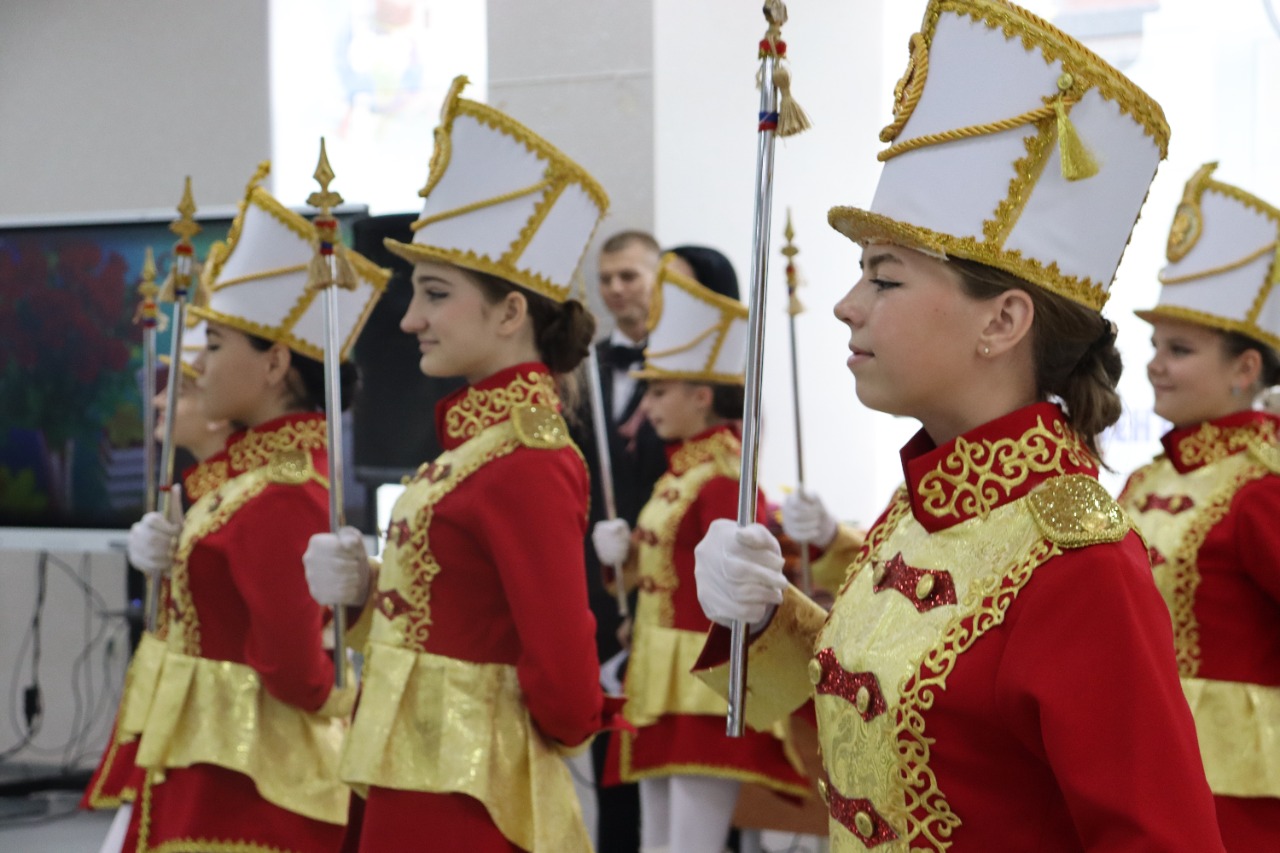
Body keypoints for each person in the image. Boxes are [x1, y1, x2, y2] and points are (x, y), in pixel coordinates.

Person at [690, 1, 1227, 849]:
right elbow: (913, 719)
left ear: (1002, 321)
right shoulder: (923, 502)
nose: (846, 305)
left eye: (885, 278)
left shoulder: (1077, 563)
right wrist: (767, 617)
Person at [301, 75, 623, 853]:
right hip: (420, 785)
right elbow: (459, 615)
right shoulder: (477, 449)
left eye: (435, 294)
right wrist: (370, 590)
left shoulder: (526, 459)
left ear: (511, 312)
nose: (410, 319)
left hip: (467, 804)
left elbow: (569, 692)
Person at [119, 163, 389, 853]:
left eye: (214, 346)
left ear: (275, 365)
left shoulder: (285, 490)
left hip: (251, 791)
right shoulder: (249, 480)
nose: (198, 367)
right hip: (215, 773)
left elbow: (299, 675)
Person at [592, 256, 809, 853]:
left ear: (700, 394)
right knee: (657, 841)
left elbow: (736, 587)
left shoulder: (722, 478)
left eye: (659, 392)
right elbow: (662, 569)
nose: (650, 406)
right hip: (658, 669)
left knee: (690, 844)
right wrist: (624, 558)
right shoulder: (681, 473)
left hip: (699, 675)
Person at [1120, 163, 1280, 850]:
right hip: (1142, 763)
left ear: (1246, 368)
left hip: (1238, 791)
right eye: (1156, 345)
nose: (1156, 363)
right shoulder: (1143, 477)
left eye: (1179, 349)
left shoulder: (1262, 490)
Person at [82, 321, 234, 853]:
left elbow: (299, 469)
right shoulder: (202, 485)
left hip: (229, 740)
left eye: (184, 388)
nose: (161, 401)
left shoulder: (269, 473)